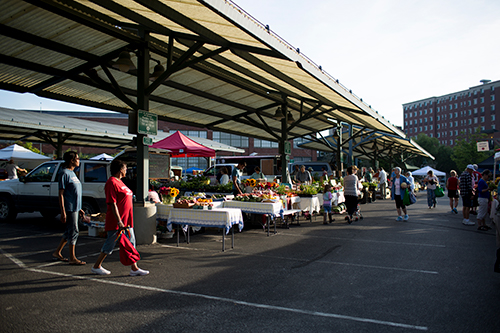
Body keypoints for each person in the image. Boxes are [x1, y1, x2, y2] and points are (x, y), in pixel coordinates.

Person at [91, 159, 149, 276]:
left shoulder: (121, 182)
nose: (126, 171)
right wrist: (119, 220)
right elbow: (112, 203)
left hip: (127, 219)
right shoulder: (111, 182)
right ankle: (96, 266)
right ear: (120, 170)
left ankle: (134, 268)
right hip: (118, 220)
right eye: (125, 168)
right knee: (110, 244)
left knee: (131, 242)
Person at [52, 151, 85, 265]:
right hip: (70, 208)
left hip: (76, 207)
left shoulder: (73, 173)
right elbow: (61, 193)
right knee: (74, 231)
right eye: (77, 158)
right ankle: (72, 257)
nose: (78, 160)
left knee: (69, 231)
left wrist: (79, 208)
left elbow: (74, 192)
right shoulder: (64, 173)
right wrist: (63, 211)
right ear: (71, 160)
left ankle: (57, 252)